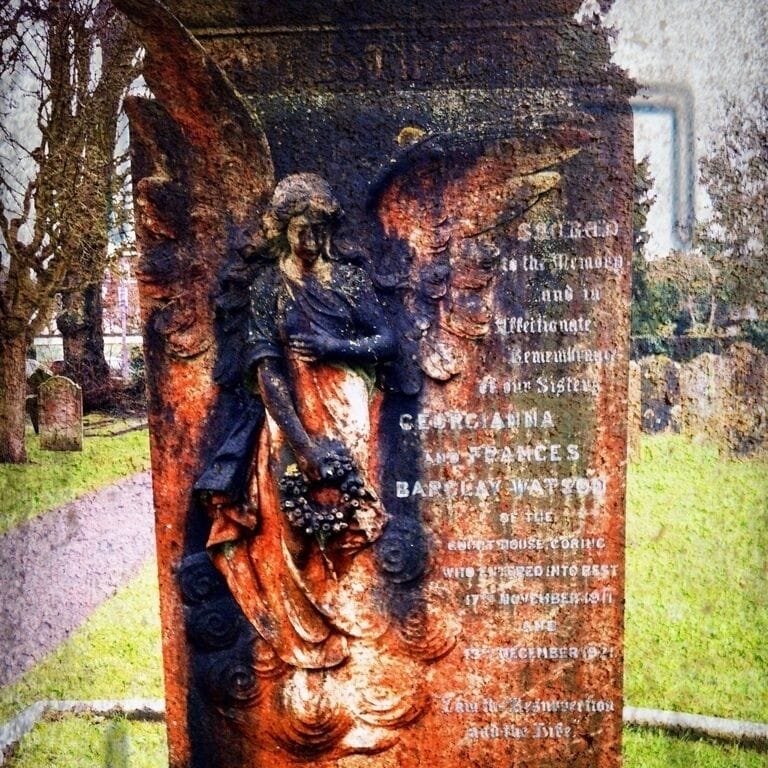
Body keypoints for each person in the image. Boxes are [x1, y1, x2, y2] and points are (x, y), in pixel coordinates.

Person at [203, 173, 396, 670]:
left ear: (327, 229)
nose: (308, 240)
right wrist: (302, 444)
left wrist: (337, 347)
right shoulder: (270, 286)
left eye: (316, 229)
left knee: (343, 510)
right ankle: (301, 635)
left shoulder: (349, 280)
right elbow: (265, 368)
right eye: (298, 230)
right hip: (290, 410)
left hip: (346, 403)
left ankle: (351, 622)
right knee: (288, 514)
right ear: (284, 231)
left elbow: (386, 342)